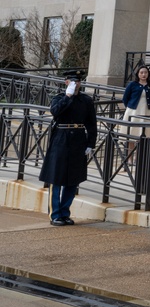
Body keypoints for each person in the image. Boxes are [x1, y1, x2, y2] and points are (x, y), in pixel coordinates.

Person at [40, 70, 97, 226]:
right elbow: (55, 112)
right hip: (61, 137)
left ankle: (65, 212)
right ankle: (55, 214)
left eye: (77, 81)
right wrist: (68, 96)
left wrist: (90, 143)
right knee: (56, 177)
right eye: (72, 81)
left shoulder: (86, 100)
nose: (75, 83)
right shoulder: (59, 98)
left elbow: (91, 123)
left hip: (78, 138)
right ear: (66, 82)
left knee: (73, 179)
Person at [121, 64, 150, 139]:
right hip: (133, 111)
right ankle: (130, 150)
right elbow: (125, 98)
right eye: (141, 73)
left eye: (146, 72)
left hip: (147, 111)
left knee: (147, 132)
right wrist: (130, 107)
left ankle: (140, 150)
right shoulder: (132, 84)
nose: (144, 74)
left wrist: (149, 105)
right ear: (138, 74)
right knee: (131, 132)